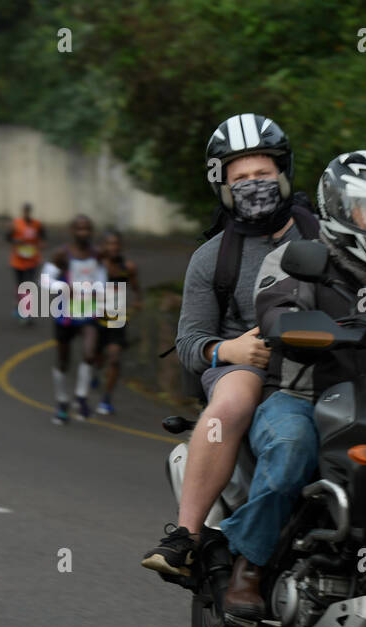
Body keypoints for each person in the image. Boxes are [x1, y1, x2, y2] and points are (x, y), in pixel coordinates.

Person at [216, 150, 366, 620]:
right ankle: (250, 565)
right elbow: (274, 308)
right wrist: (294, 324)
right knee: (291, 449)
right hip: (302, 396)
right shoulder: (297, 258)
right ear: (338, 208)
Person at [142, 113, 319, 579]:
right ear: (222, 186)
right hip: (249, 361)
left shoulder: (326, 236)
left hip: (320, 358)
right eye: (240, 178)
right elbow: (189, 342)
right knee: (236, 395)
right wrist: (229, 352)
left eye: (262, 173)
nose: (253, 184)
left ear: (282, 173)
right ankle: (187, 535)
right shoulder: (211, 257)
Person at [43, 214, 105, 424]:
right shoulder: (61, 254)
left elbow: (101, 279)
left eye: (87, 229)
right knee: (63, 360)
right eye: (79, 229)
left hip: (89, 311)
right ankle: (61, 401)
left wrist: (97, 291)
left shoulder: (97, 254)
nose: (83, 233)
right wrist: (62, 287)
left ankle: (81, 398)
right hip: (65, 314)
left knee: (89, 354)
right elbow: (45, 280)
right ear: (72, 231)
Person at [94, 229, 141, 415]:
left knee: (114, 357)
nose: (113, 247)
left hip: (117, 319)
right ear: (103, 246)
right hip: (96, 319)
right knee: (97, 358)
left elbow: (136, 289)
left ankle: (106, 398)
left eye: (116, 244)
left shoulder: (128, 267)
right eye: (109, 244)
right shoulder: (96, 266)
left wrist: (138, 301)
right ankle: (96, 371)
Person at [7, 203, 45, 324]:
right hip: (18, 260)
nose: (26, 213)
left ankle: (26, 312)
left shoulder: (37, 224)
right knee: (20, 285)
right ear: (22, 212)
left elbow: (43, 236)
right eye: (25, 211)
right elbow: (8, 237)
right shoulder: (16, 224)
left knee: (28, 285)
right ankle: (19, 305)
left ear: (30, 212)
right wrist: (15, 240)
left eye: (28, 211)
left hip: (32, 260)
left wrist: (41, 243)